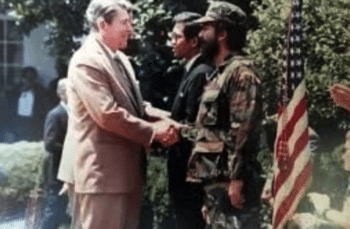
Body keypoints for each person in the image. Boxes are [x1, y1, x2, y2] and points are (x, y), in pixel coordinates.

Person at [57, 0, 180, 228]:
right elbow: (108, 114)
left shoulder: (119, 58)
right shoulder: (87, 60)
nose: (131, 29)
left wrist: (169, 120)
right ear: (103, 25)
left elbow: (135, 105)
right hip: (102, 179)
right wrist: (153, 132)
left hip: (124, 177)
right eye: (124, 22)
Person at [185, 2, 264, 228]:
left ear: (222, 33)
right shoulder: (218, 75)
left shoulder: (242, 74)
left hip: (232, 184)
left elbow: (243, 130)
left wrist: (236, 180)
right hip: (216, 186)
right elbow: (210, 131)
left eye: (205, 28)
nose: (199, 35)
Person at [167, 11, 214, 229]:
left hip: (190, 175)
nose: (171, 42)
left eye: (176, 37)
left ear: (194, 41)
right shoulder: (191, 72)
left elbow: (193, 127)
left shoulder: (200, 74)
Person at [41, 78, 70, 229]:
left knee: (63, 213)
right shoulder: (55, 114)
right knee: (53, 212)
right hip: (58, 172)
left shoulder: (76, 114)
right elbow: (49, 144)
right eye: (70, 90)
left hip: (71, 172)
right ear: (61, 94)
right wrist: (71, 149)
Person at [13, 67, 50, 141]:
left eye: (32, 78)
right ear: (22, 79)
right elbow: (12, 108)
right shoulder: (16, 91)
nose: (29, 81)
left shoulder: (41, 92)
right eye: (27, 78)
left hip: (34, 124)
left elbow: (44, 108)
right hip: (19, 123)